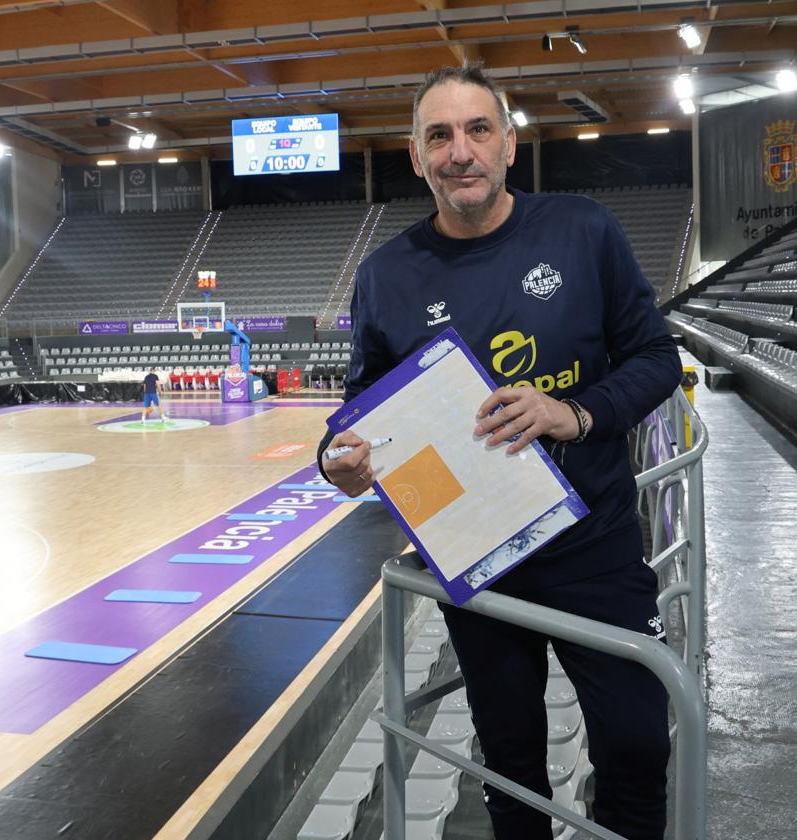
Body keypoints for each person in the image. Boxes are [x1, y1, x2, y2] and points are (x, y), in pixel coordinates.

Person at [318, 64, 682, 840]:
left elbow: (655, 357)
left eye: (478, 129)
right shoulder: (385, 277)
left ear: (509, 144)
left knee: (637, 741)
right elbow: (355, 424)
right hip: (482, 567)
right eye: (438, 135)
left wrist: (574, 413)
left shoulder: (582, 231)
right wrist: (336, 465)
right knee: (508, 761)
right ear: (415, 157)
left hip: (596, 548)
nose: (461, 151)